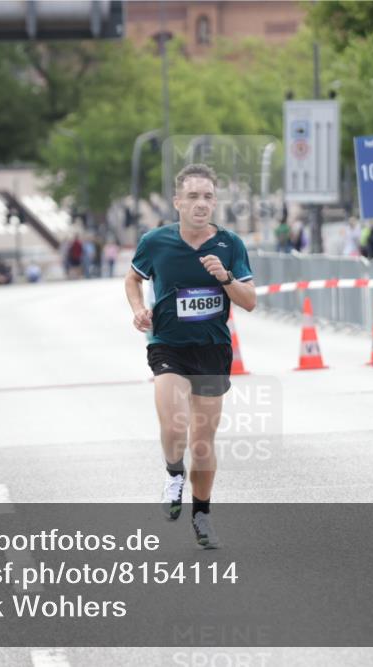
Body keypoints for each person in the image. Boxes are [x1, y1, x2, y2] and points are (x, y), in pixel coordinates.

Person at [124, 163, 256, 549]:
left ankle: (202, 516)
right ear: (177, 201)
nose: (202, 203)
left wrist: (225, 278)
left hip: (212, 349)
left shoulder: (230, 245)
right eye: (193, 196)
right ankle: (172, 474)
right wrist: (137, 310)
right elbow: (133, 278)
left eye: (209, 196)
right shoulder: (155, 242)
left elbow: (249, 302)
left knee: (202, 440)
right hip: (167, 344)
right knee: (174, 426)